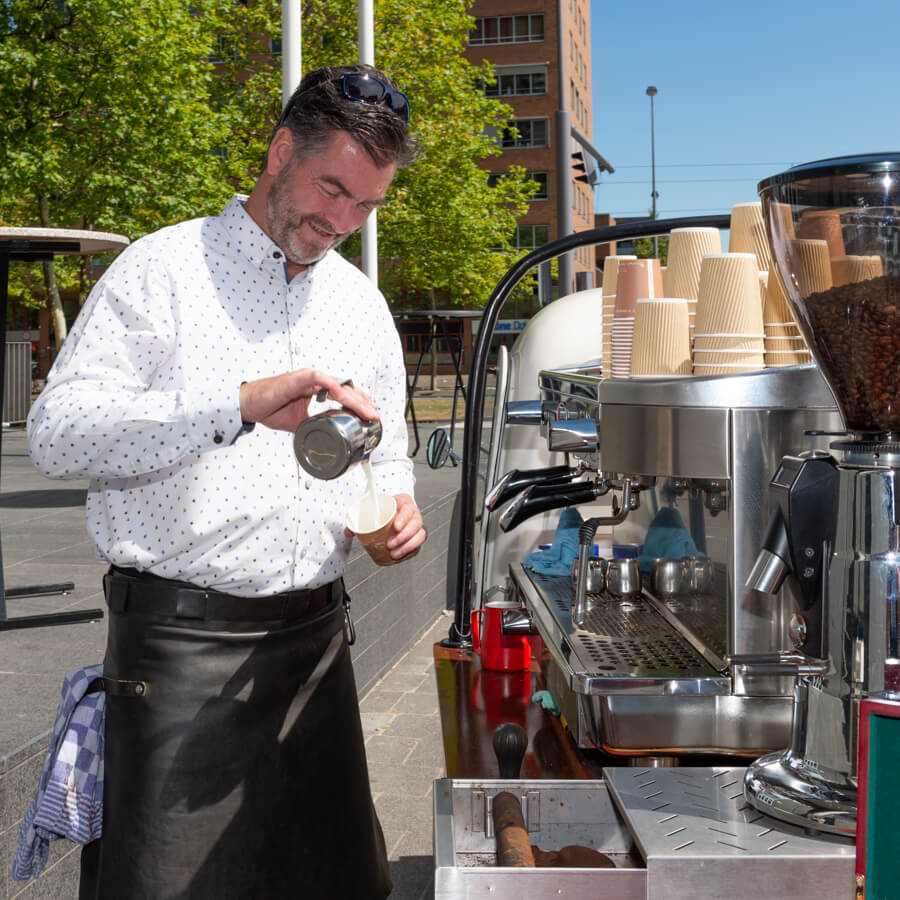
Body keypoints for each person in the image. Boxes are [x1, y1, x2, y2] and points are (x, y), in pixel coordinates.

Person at [27, 63, 426, 899]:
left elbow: (384, 450)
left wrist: (397, 513)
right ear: (281, 150)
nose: (341, 221)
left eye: (365, 206)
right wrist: (236, 405)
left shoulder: (360, 303)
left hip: (318, 652)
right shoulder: (158, 270)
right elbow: (57, 437)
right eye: (331, 190)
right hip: (177, 659)